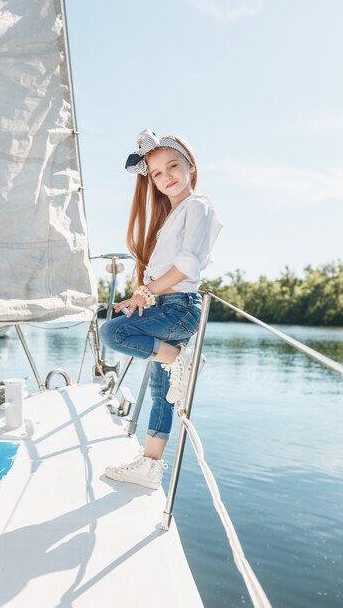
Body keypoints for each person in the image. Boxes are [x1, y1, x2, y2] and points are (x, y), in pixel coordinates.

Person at [100, 129, 223, 489]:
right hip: (169, 305)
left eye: (173, 166)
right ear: (151, 180)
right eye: (157, 173)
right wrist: (147, 293)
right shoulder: (170, 217)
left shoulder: (198, 206)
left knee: (113, 332)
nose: (166, 176)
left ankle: (177, 358)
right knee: (160, 391)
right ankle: (151, 465)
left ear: (190, 168)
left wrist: (143, 292)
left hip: (181, 307)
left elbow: (187, 266)